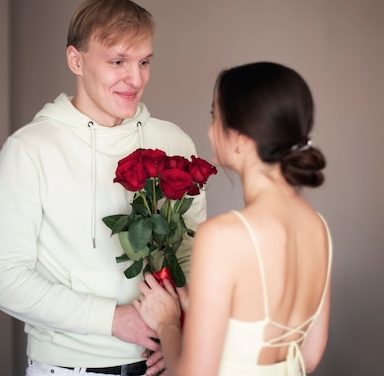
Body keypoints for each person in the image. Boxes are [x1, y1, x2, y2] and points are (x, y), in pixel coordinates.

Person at [0, 0, 206, 376]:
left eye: (144, 62)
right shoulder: (29, 149)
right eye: (118, 61)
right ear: (76, 61)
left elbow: (192, 257)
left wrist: (180, 336)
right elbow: (2, 277)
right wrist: (111, 320)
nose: (135, 79)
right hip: (69, 367)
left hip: (162, 364)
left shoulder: (175, 143)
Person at [134, 61, 332, 376]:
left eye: (215, 116)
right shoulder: (318, 227)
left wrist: (168, 322)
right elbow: (306, 358)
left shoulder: (224, 235)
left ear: (240, 137)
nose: (211, 130)